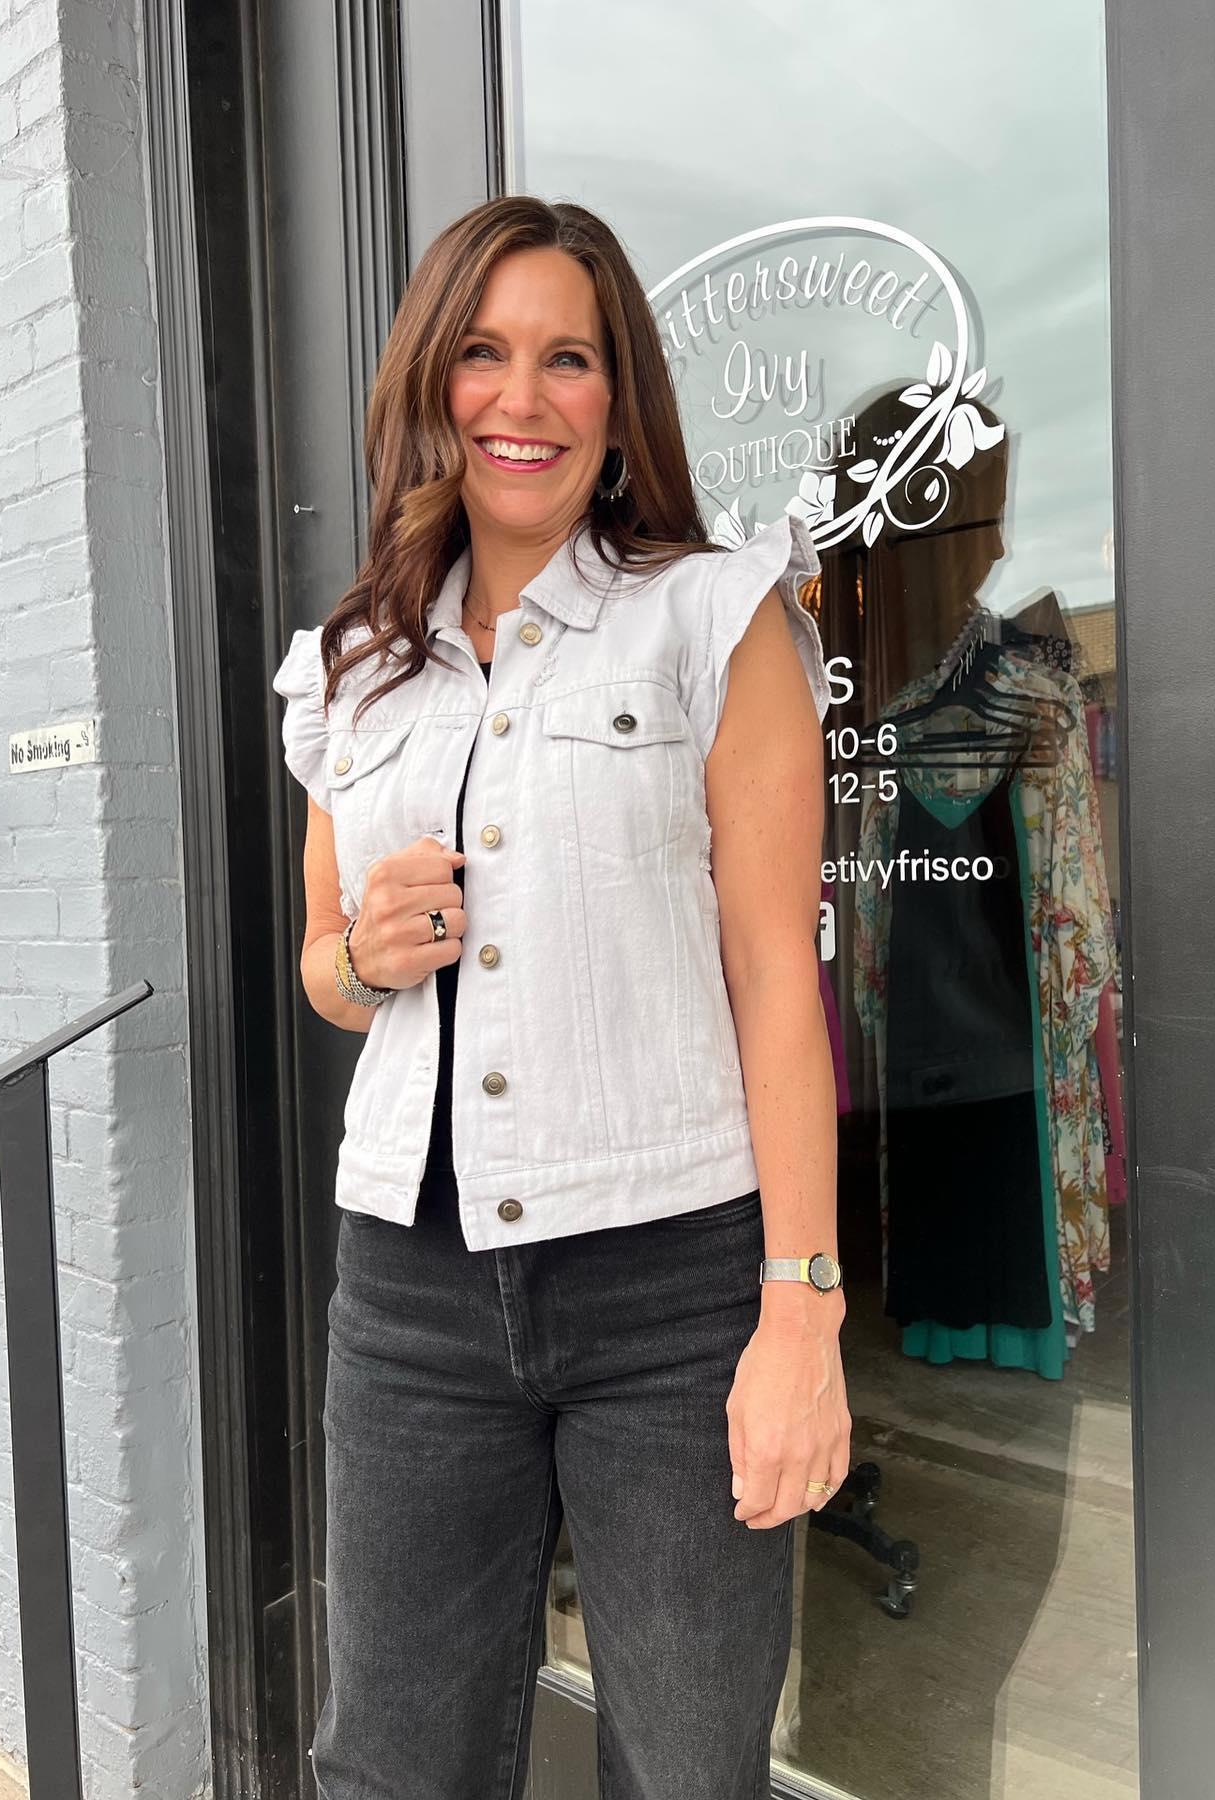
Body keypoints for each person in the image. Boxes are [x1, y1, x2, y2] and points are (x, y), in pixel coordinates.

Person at [272, 194, 851, 1800]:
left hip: (670, 1293)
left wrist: (798, 1310)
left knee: (686, 1766)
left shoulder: (715, 617)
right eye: (482, 352)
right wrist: (362, 956)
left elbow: (772, 986)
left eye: (568, 359)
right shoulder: (352, 666)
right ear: (429, 383)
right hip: (410, 1293)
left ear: (620, 396)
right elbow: (324, 966)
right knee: (394, 1761)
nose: (521, 400)